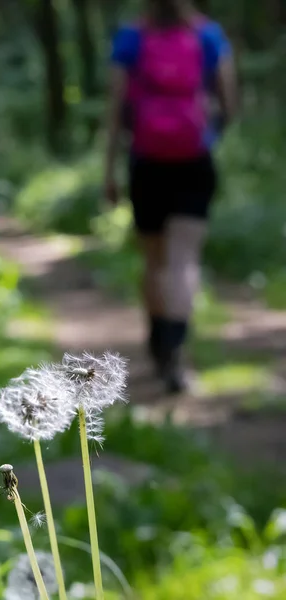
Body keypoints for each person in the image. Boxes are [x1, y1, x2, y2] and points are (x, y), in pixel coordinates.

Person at [103, 0, 237, 394]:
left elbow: (115, 112)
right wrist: (208, 134)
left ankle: (159, 344)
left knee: (154, 260)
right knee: (184, 260)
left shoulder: (131, 38)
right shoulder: (208, 35)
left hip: (145, 163)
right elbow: (229, 103)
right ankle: (177, 354)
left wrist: (108, 172)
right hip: (194, 159)